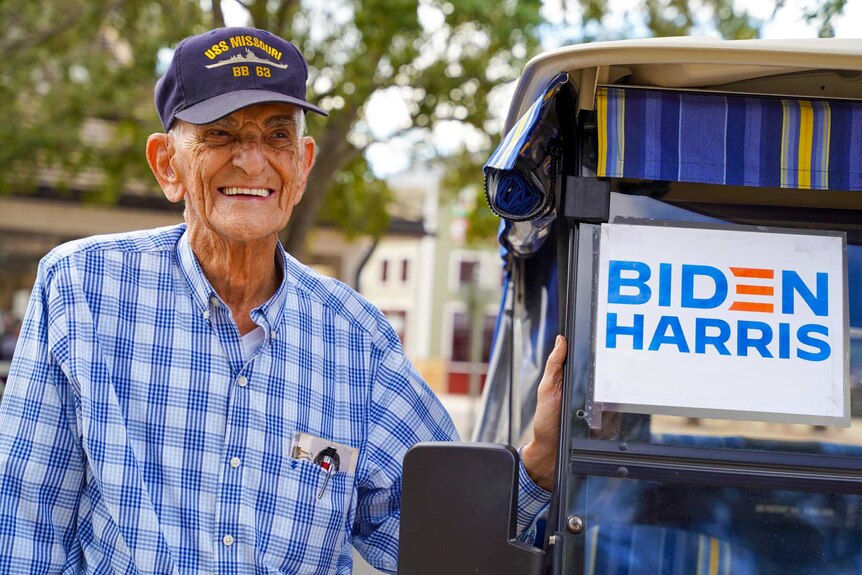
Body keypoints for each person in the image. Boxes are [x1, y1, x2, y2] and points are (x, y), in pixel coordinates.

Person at [0, 27, 566, 574]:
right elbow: (26, 519)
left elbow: (433, 523)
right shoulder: (82, 289)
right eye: (220, 134)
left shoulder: (357, 340)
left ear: (301, 167)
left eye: (276, 136)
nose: (252, 161)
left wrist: (538, 461)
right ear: (168, 164)